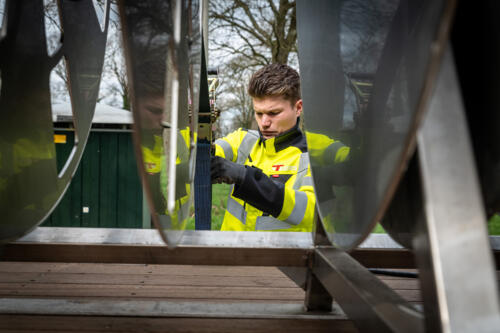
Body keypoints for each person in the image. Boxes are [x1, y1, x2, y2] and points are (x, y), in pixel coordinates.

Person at [211, 63, 316, 231]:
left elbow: (309, 212)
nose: (264, 123)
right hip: (230, 252)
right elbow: (204, 153)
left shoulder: (314, 154)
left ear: (298, 108)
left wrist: (244, 177)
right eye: (259, 113)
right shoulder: (243, 139)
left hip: (281, 256)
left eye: (274, 113)